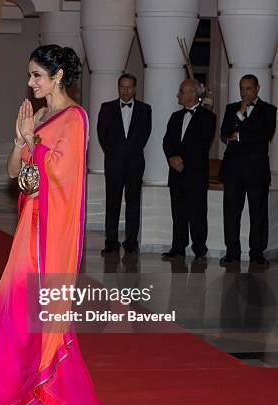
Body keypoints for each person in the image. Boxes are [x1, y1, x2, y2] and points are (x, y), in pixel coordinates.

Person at [0, 45, 126, 405]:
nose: (30, 82)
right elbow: (13, 172)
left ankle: (28, 391)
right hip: (29, 227)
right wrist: (22, 137)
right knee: (13, 311)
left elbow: (59, 177)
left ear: (58, 77)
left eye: (37, 75)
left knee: (30, 312)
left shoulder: (75, 118)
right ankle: (16, 393)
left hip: (50, 234)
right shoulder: (38, 115)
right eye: (30, 74)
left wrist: (31, 143)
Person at [219, 74, 277, 267]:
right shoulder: (231, 109)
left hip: (257, 169)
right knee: (231, 212)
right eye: (242, 88)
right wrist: (239, 113)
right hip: (233, 169)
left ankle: (257, 252)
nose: (245, 92)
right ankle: (232, 252)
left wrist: (239, 135)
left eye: (249, 88)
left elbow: (263, 135)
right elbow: (224, 132)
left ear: (257, 89)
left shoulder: (269, 110)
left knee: (258, 212)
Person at [161, 79, 217, 263]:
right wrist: (172, 157)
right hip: (176, 174)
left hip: (194, 174)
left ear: (193, 94)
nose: (178, 94)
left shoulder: (208, 118)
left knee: (198, 213)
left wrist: (181, 159)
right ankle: (178, 247)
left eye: (182, 91)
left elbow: (200, 144)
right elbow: (167, 141)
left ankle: (200, 250)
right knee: (178, 213)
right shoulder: (175, 117)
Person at [97, 73, 151, 255]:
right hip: (113, 163)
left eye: (129, 87)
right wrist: (115, 153)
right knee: (112, 203)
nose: (125, 90)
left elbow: (145, 135)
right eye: (122, 87)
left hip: (135, 163)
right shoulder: (106, 108)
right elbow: (102, 135)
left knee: (133, 203)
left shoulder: (145, 109)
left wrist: (130, 153)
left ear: (135, 88)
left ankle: (131, 242)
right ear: (118, 87)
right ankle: (111, 242)